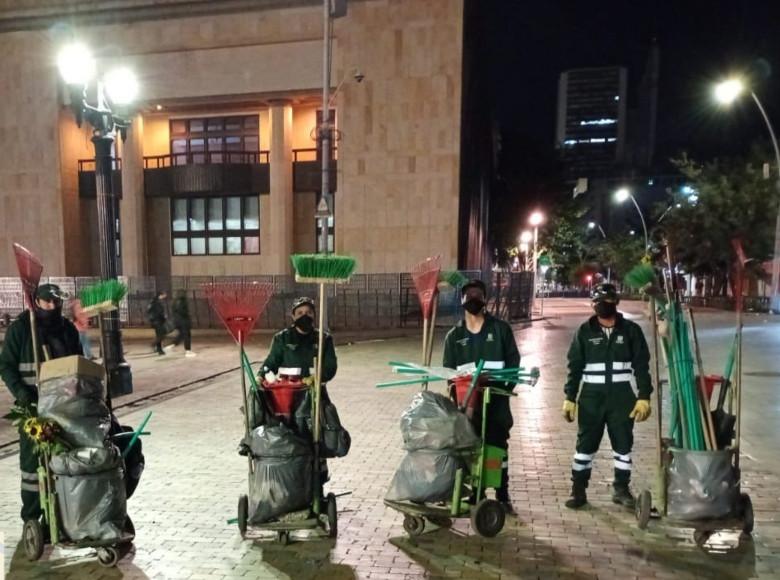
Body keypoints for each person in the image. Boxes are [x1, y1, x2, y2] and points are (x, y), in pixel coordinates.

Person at [562, 283, 652, 510]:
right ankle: (578, 490)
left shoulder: (630, 331)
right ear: (593, 305)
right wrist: (570, 397)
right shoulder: (584, 332)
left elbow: (642, 366)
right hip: (591, 398)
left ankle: (621, 489)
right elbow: (575, 366)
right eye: (599, 302)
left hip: (622, 398)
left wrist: (644, 396)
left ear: (616, 303)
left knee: (623, 445)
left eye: (608, 301)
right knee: (585, 446)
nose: (603, 306)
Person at [0, 283, 82, 524]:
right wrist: (22, 394)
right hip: (32, 407)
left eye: (56, 303)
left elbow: (78, 362)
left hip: (64, 406)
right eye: (47, 302)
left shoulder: (66, 329)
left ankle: (60, 514)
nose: (52, 306)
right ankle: (32, 517)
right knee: (32, 464)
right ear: (36, 302)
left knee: (63, 459)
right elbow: (6, 365)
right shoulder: (22, 329)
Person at [442, 279, 520, 515]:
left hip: (496, 401)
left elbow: (513, 364)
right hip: (468, 405)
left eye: (478, 295)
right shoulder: (454, 336)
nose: (473, 299)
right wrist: (458, 400)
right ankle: (476, 493)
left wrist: (504, 389)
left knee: (497, 448)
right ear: (462, 300)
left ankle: (502, 494)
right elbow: (449, 374)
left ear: (485, 299)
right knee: (471, 448)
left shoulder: (500, 330)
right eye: (469, 295)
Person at [262, 297, 337, 385]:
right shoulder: (282, 338)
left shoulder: (324, 339)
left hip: (315, 390)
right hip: (288, 391)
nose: (305, 316)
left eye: (309, 312)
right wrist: (260, 376)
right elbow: (271, 363)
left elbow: (330, 367)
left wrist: (316, 377)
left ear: (314, 315)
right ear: (293, 316)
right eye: (300, 313)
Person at [171, 290, 196, 357]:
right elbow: (182, 311)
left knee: (181, 334)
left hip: (177, 321)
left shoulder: (174, 301)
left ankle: (172, 345)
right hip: (183, 321)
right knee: (187, 335)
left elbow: (174, 311)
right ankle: (188, 351)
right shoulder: (182, 301)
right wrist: (188, 315)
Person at [147, 290, 169, 355]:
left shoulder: (152, 302)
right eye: (164, 295)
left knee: (159, 335)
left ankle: (159, 349)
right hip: (158, 321)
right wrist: (164, 316)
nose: (164, 297)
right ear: (161, 295)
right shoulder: (158, 302)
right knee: (162, 335)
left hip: (154, 321)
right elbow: (159, 312)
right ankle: (154, 344)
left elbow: (149, 311)